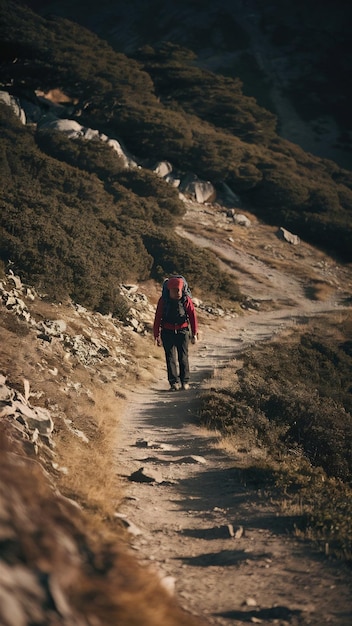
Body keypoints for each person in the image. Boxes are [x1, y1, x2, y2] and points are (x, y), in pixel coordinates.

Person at [153, 276, 199, 391]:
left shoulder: (185, 299)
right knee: (170, 358)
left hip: (182, 331)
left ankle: (184, 381)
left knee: (183, 357)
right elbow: (158, 318)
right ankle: (173, 383)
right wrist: (156, 335)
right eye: (174, 290)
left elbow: (192, 316)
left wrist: (194, 333)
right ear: (169, 290)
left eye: (179, 290)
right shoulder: (163, 301)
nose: (177, 293)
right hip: (167, 331)